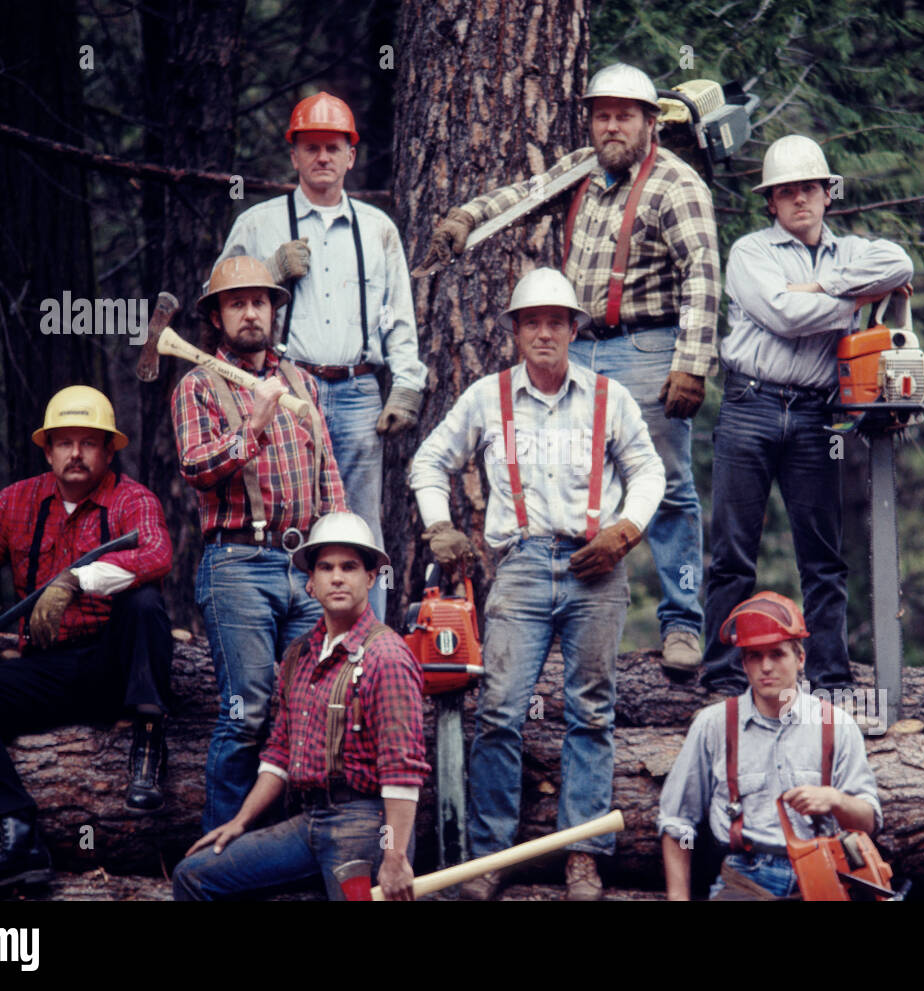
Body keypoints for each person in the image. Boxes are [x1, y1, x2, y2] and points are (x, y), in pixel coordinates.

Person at [424, 63, 718, 678]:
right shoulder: (585, 166)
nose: (612, 126)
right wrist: (468, 219)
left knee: (666, 485)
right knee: (559, 470)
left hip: (647, 347)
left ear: (649, 123)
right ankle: (560, 613)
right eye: (602, 114)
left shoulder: (677, 186)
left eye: (625, 115)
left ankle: (683, 624)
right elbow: (524, 196)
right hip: (578, 344)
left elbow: (703, 277)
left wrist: (692, 364)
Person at [409, 268, 665, 900]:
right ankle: (491, 855)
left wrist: (624, 532)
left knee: (591, 711)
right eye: (533, 322)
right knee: (498, 711)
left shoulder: (609, 397)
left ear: (575, 329)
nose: (545, 332)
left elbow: (649, 470)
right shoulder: (486, 399)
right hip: (521, 566)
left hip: (597, 567)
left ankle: (583, 855)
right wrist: (439, 526)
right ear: (516, 332)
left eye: (557, 321)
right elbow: (429, 462)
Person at [0, 386, 173, 888]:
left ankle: (148, 742)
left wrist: (75, 580)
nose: (76, 454)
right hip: (49, 668)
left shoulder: (133, 500)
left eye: (90, 443)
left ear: (110, 450)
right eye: (64, 443)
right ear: (47, 450)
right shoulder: (16, 501)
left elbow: (156, 553)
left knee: (144, 601)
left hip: (115, 669)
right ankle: (17, 837)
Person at [701, 135, 915, 695]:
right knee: (732, 552)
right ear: (770, 202)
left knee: (822, 555)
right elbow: (786, 314)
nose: (799, 200)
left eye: (810, 189)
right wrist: (852, 296)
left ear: (828, 194)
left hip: (819, 414)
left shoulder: (851, 251)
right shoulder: (751, 251)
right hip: (751, 403)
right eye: (787, 192)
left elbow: (899, 262)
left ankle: (830, 677)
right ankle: (723, 677)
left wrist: (820, 284)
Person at [209, 91, 426, 621]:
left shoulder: (377, 229)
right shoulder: (260, 223)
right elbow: (216, 300)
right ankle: (297, 636)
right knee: (289, 510)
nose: (322, 157)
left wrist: (407, 383)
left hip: (356, 390)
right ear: (294, 156)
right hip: (281, 387)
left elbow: (399, 311)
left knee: (358, 522)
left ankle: (365, 646)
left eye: (333, 147)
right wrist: (267, 272)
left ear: (351, 154)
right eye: (311, 147)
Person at [171, 255, 348, 832]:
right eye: (236, 303)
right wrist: (255, 425)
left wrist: (340, 553)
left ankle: (301, 849)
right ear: (216, 316)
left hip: (306, 566)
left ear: (275, 309)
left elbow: (329, 477)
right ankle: (221, 859)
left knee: (312, 711)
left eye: (260, 302)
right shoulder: (196, 385)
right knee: (246, 713)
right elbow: (197, 467)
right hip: (238, 564)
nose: (250, 313)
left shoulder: (304, 384)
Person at [171, 511, 428, 901]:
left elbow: (402, 770)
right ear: (310, 582)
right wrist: (242, 821)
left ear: (371, 578)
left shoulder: (386, 655)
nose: (337, 577)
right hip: (308, 822)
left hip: (365, 826)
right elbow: (279, 751)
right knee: (194, 876)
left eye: (350, 567)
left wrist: (394, 856)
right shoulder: (299, 655)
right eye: (325, 568)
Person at [659, 591, 882, 899]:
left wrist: (836, 800)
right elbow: (676, 822)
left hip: (825, 874)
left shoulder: (837, 725)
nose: (766, 667)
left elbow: (868, 821)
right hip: (746, 878)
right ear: (744, 663)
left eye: (777, 654)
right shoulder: (713, 725)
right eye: (755, 655)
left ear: (800, 658)